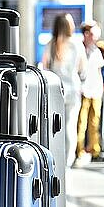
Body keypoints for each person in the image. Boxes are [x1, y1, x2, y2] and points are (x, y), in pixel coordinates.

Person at [42, 14, 87, 168]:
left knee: (54, 126)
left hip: (55, 90)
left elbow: (45, 66)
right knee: (70, 125)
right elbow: (83, 69)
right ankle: (68, 160)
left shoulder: (51, 44)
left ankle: (54, 157)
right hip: (73, 89)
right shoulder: (77, 44)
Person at [75, 21, 104, 165]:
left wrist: (100, 88)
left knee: (94, 122)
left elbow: (99, 72)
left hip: (95, 90)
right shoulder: (79, 49)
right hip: (83, 90)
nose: (95, 37)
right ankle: (79, 150)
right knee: (81, 122)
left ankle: (94, 149)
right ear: (86, 34)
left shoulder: (96, 50)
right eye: (93, 34)